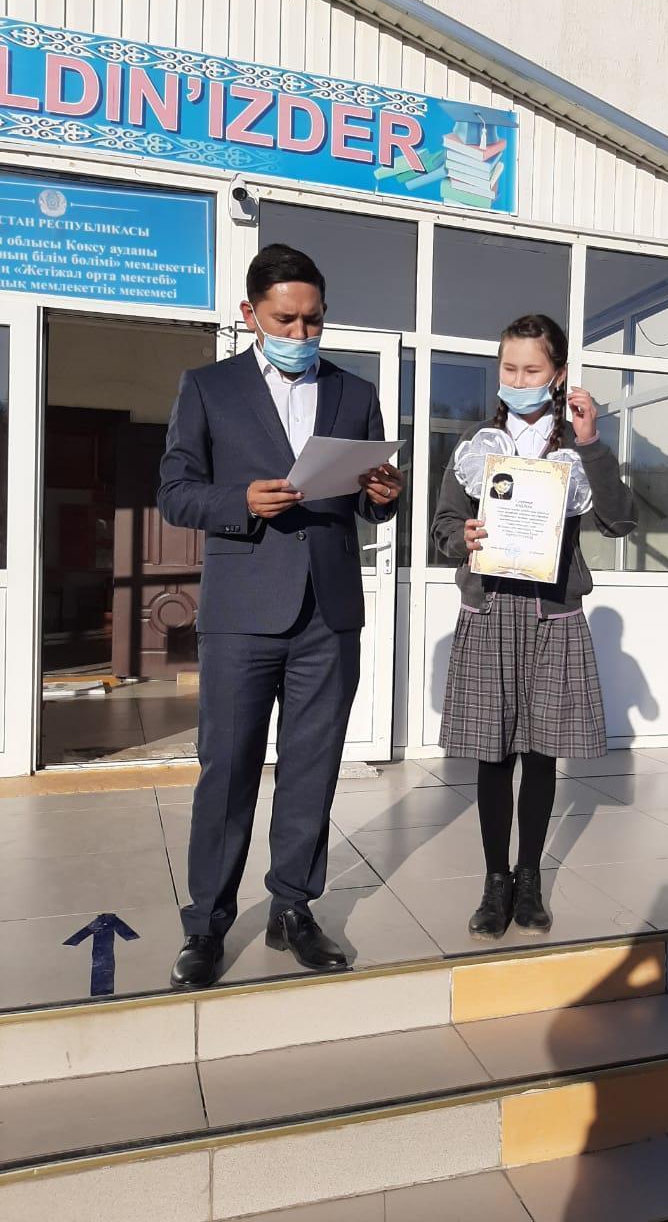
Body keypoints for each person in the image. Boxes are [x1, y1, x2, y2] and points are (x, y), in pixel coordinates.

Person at [159, 243, 401, 989]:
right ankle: (207, 923)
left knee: (311, 768)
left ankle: (293, 907)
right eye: (285, 319)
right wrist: (239, 501)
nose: (301, 333)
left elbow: (365, 500)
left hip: (329, 613)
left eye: (313, 320)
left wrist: (382, 496)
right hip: (242, 612)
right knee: (227, 770)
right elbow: (174, 492)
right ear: (250, 314)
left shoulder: (354, 392)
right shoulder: (209, 388)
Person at [432, 313, 637, 939]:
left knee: (541, 752)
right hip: (490, 609)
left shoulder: (577, 446)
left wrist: (593, 442)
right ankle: (495, 879)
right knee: (492, 754)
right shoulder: (477, 445)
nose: (519, 380)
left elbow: (621, 522)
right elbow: (443, 527)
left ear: (559, 375)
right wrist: (463, 538)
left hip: (553, 614)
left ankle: (529, 877)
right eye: (509, 369)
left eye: (532, 369)